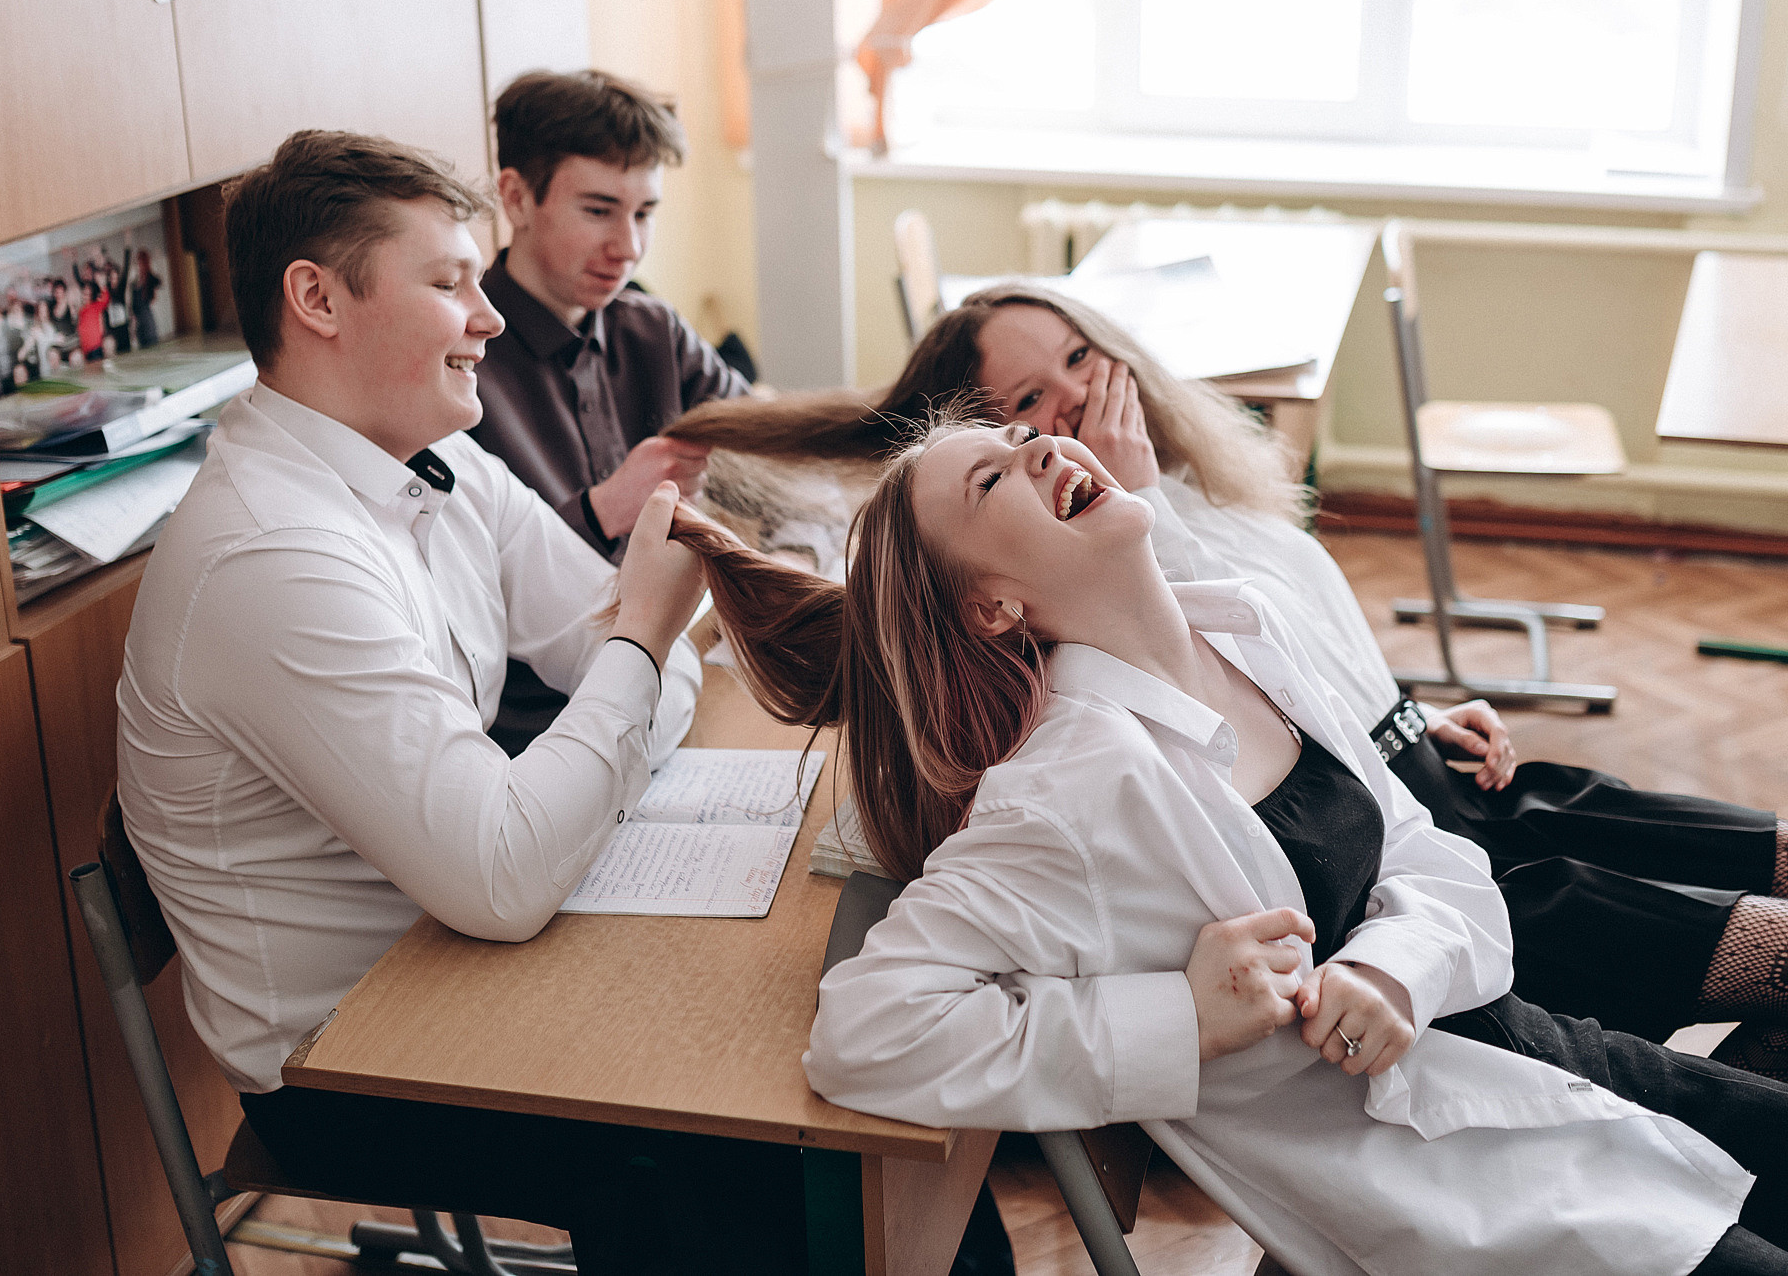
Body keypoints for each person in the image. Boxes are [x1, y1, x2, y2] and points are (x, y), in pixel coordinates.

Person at [677, 420, 1788, 1273]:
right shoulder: (1065, 797)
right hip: (1466, 1188)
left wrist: (1392, 964)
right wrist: (1180, 1020)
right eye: (991, 480)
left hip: (1544, 1053)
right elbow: (866, 1030)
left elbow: (1428, 848)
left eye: (1021, 439)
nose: (1040, 449)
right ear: (991, 608)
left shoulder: (1245, 624)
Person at [667, 282, 1788, 1059]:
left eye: (1074, 358)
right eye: (1020, 408)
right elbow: (1175, 651)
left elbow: (1295, 644)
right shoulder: (1108, 536)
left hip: (1406, 761)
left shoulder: (1180, 483)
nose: (1066, 406)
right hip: (1399, 841)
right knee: (1612, 901)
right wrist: (1137, 496)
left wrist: (1408, 700)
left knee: (1622, 813)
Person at [115, 129, 803, 1274]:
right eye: (449, 282)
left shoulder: (432, 458)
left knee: (784, 1042)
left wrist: (627, 661)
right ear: (317, 299)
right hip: (355, 1055)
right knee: (730, 1139)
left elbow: (644, 659)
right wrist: (633, 647)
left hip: (463, 954)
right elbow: (507, 861)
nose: (487, 318)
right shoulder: (270, 556)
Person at [467, 69, 752, 756]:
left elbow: (761, 443)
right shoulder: (459, 364)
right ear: (516, 197)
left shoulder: (650, 327)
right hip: (539, 731)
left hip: (669, 669)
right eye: (599, 210)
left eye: (645, 212)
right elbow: (463, 594)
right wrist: (603, 508)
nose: (628, 246)